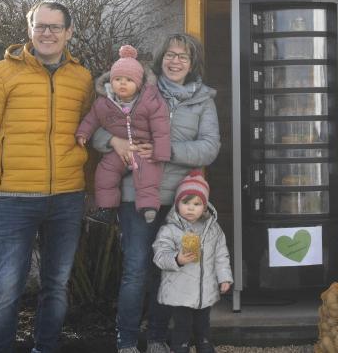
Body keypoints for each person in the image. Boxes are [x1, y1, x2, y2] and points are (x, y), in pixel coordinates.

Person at [0, 1, 93, 352]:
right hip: (14, 198)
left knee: (57, 284)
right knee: (6, 286)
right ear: (30, 29)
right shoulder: (1, 73)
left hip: (67, 197)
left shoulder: (82, 78)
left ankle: (45, 347)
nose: (47, 33)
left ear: (68, 32)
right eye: (40, 26)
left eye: (55, 27)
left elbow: (91, 130)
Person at [90, 33, 220, 353]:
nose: (175, 61)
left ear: (193, 64)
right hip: (136, 193)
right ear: (161, 59)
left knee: (168, 269)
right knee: (136, 269)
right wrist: (114, 142)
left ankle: (159, 338)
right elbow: (97, 130)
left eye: (183, 57)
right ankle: (127, 341)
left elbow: (209, 148)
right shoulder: (139, 90)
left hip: (179, 200)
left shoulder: (203, 101)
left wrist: (166, 150)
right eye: (170, 55)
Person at [76, 44, 170, 224]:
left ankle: (148, 207)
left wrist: (160, 152)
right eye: (118, 79)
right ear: (111, 82)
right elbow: (91, 119)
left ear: (139, 83)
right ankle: (106, 208)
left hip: (142, 147)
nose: (122, 83)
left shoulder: (150, 101)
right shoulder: (104, 103)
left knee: (147, 174)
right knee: (105, 173)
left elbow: (161, 128)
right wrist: (83, 133)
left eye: (128, 79)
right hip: (116, 151)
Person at [153, 170, 232, 353]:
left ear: (205, 207)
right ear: (177, 204)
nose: (190, 208)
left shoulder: (213, 229)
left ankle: (204, 345)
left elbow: (221, 255)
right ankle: (179, 347)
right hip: (179, 292)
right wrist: (177, 259)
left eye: (196, 204)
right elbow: (159, 255)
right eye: (185, 202)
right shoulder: (170, 230)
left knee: (203, 325)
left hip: (205, 291)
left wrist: (224, 278)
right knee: (182, 326)